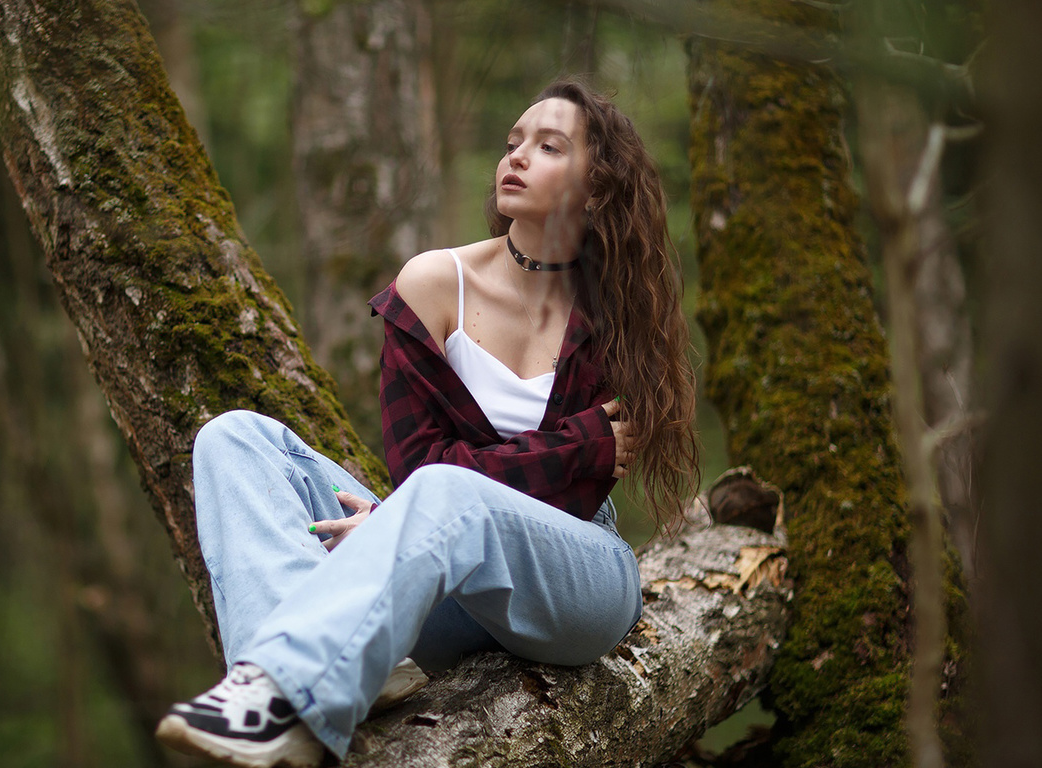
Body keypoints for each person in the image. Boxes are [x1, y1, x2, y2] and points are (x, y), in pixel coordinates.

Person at [155, 78, 700, 768]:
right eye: (512, 143)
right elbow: (417, 467)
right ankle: (296, 693)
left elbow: (575, 493)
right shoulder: (435, 284)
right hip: (442, 578)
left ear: (597, 188)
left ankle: (289, 685)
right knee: (232, 437)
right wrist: (579, 443)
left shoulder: (619, 308)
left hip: (574, 579)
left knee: (447, 492)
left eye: (548, 145)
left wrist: (407, 516)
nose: (517, 157)